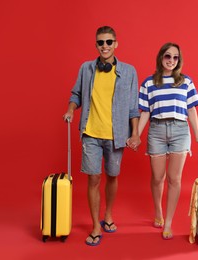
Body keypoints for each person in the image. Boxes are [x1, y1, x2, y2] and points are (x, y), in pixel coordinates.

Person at [63, 26, 140, 246]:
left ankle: (108, 215)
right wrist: (70, 109)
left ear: (116, 44)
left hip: (116, 135)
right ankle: (96, 225)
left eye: (108, 42)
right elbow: (75, 94)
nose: (104, 46)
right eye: (100, 42)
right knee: (93, 178)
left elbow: (133, 108)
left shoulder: (129, 71)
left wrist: (134, 133)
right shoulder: (86, 69)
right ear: (96, 45)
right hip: (90, 133)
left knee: (112, 175)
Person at [133, 42, 198, 240]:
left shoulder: (185, 81)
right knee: (158, 177)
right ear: (161, 58)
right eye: (168, 56)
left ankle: (168, 222)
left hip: (180, 131)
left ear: (179, 60)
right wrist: (136, 135)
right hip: (156, 129)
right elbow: (145, 112)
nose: (171, 61)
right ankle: (158, 210)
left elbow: (191, 109)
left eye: (175, 57)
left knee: (175, 179)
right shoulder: (149, 83)